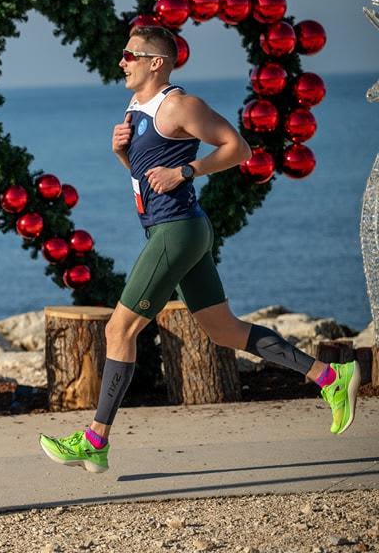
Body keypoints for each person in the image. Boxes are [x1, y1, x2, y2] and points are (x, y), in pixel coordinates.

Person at [39, 25, 361, 474]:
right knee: (223, 330)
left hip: (178, 230)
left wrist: (187, 171)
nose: (122, 62)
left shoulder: (179, 105)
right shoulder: (137, 106)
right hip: (170, 229)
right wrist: (122, 156)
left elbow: (239, 148)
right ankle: (330, 376)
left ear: (156, 62)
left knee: (119, 330)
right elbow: (147, 177)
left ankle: (95, 441)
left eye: (130, 55)